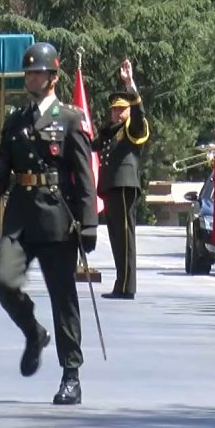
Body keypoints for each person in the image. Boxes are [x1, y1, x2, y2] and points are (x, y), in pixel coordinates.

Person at [0, 41, 98, 406]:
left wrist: (89, 224)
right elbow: (2, 172)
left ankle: (71, 375)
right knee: (3, 283)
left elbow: (83, 175)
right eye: (28, 72)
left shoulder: (70, 119)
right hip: (20, 218)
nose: (32, 77)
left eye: (38, 72)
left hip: (57, 219)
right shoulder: (16, 120)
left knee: (64, 299)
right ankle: (33, 332)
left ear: (53, 77)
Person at [93, 59, 149, 300]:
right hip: (111, 188)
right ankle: (121, 282)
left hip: (125, 185)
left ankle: (127, 285)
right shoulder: (110, 131)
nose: (116, 113)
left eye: (121, 109)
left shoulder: (132, 128)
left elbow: (139, 113)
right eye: (114, 109)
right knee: (116, 237)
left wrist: (130, 83)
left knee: (125, 236)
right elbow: (93, 145)